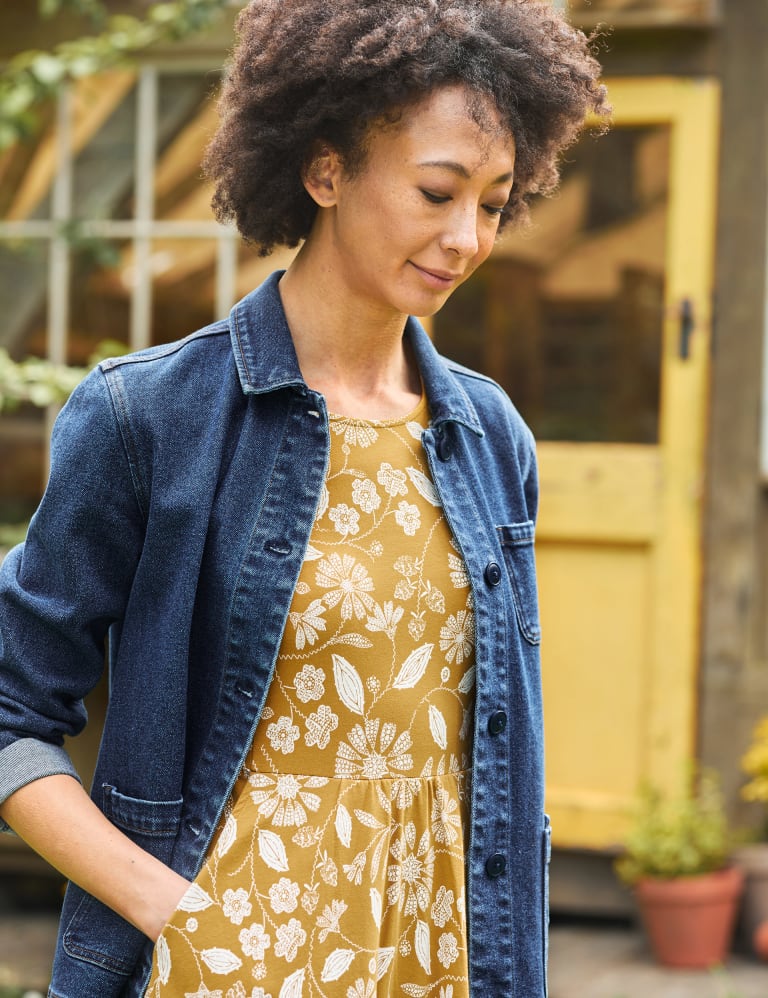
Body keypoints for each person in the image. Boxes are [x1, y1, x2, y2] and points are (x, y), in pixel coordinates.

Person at [0, 1, 608, 995]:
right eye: (437, 191)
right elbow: (9, 709)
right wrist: (178, 914)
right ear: (325, 172)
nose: (467, 237)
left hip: (441, 965)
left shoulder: (488, 437)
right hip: (228, 967)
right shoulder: (149, 417)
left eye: (494, 204)